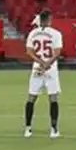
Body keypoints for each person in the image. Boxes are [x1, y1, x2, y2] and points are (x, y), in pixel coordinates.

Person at [24, 11, 63, 139]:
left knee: (31, 97)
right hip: (50, 68)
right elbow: (57, 52)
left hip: (37, 67)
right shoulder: (56, 33)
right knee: (53, 98)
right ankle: (54, 129)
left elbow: (29, 52)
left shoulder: (33, 33)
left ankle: (28, 128)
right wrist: (47, 64)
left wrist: (40, 63)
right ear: (50, 20)